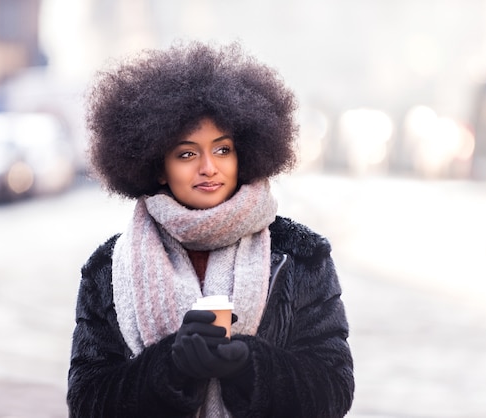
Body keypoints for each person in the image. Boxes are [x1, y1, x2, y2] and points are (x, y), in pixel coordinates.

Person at [67, 40, 354, 418]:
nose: (208, 167)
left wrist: (248, 364)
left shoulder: (300, 256)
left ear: (245, 153)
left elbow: (333, 389)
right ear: (158, 167)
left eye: (222, 150)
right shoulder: (106, 269)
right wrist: (170, 366)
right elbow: (87, 402)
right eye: (187, 154)